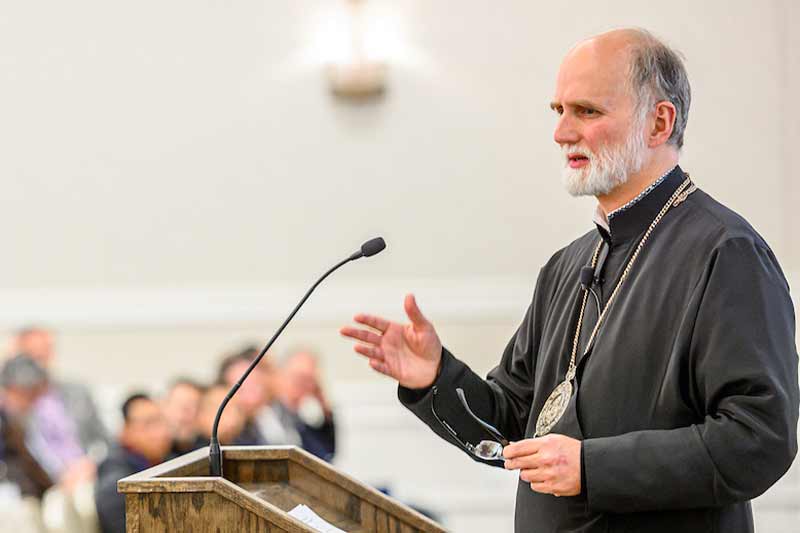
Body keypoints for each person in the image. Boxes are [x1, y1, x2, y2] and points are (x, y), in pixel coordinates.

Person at [340, 28, 799, 532]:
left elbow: (759, 438)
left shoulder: (725, 252)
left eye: (587, 111)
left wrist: (589, 467)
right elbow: (513, 425)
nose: (562, 133)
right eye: (558, 111)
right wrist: (434, 379)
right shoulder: (566, 266)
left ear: (659, 122)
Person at [94, 393, 172, 533]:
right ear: (126, 430)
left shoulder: (164, 461)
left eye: (162, 421)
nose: (162, 432)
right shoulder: (115, 478)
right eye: (150, 423)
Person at [275, 349, 336, 462]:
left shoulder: (304, 416)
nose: (304, 385)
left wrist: (324, 408)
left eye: (309, 379)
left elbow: (326, 455)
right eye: (298, 377)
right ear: (281, 375)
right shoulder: (269, 413)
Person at [161, 378, 204, 457]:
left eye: (195, 407)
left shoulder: (206, 449)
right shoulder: (153, 454)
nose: (188, 415)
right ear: (164, 407)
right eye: (181, 406)